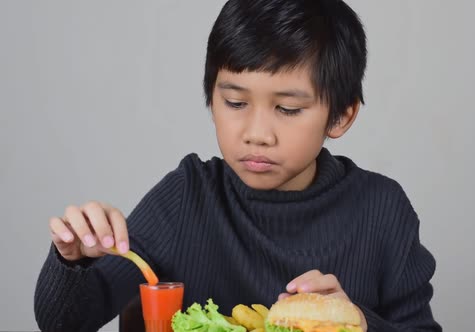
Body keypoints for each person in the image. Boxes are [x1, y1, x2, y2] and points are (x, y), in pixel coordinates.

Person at [34, 0, 441, 331]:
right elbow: (62, 323)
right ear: (211, 98)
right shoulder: (186, 197)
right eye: (235, 103)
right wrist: (74, 261)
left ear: (340, 117)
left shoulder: (381, 208)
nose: (256, 133)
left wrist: (358, 323)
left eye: (287, 108)